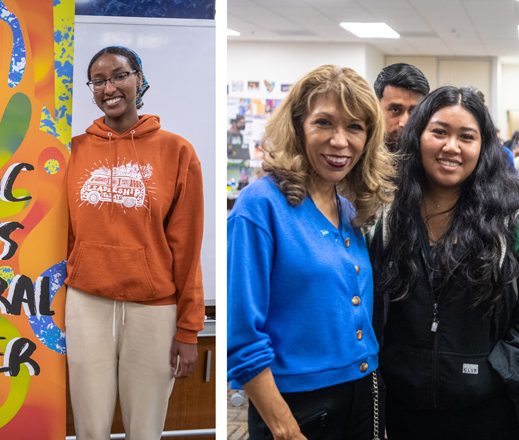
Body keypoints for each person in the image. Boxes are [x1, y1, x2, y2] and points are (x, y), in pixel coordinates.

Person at [371, 86, 519, 439]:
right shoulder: (386, 216)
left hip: (489, 411)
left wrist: (496, 374)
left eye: (466, 136)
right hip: (403, 410)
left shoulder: (516, 220)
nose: (451, 147)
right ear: (418, 136)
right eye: (439, 132)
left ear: (483, 146)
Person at [228, 65, 395, 439]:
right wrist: (284, 429)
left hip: (363, 392)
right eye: (324, 123)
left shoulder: (349, 211)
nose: (341, 141)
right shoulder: (260, 206)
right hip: (294, 404)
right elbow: (241, 336)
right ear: (298, 126)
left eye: (355, 127)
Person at [64, 46, 204, 440]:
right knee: (90, 429)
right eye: (99, 80)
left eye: (120, 75)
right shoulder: (72, 151)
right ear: (91, 89)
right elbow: (64, 235)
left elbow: (189, 248)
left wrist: (188, 330)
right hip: (86, 302)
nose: (110, 87)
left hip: (154, 309)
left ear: (139, 80)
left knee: (145, 431)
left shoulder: (177, 152)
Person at [373, 62, 430, 152]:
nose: (405, 123)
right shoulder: (361, 154)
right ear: (377, 108)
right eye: (395, 110)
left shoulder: (428, 155)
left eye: (414, 112)